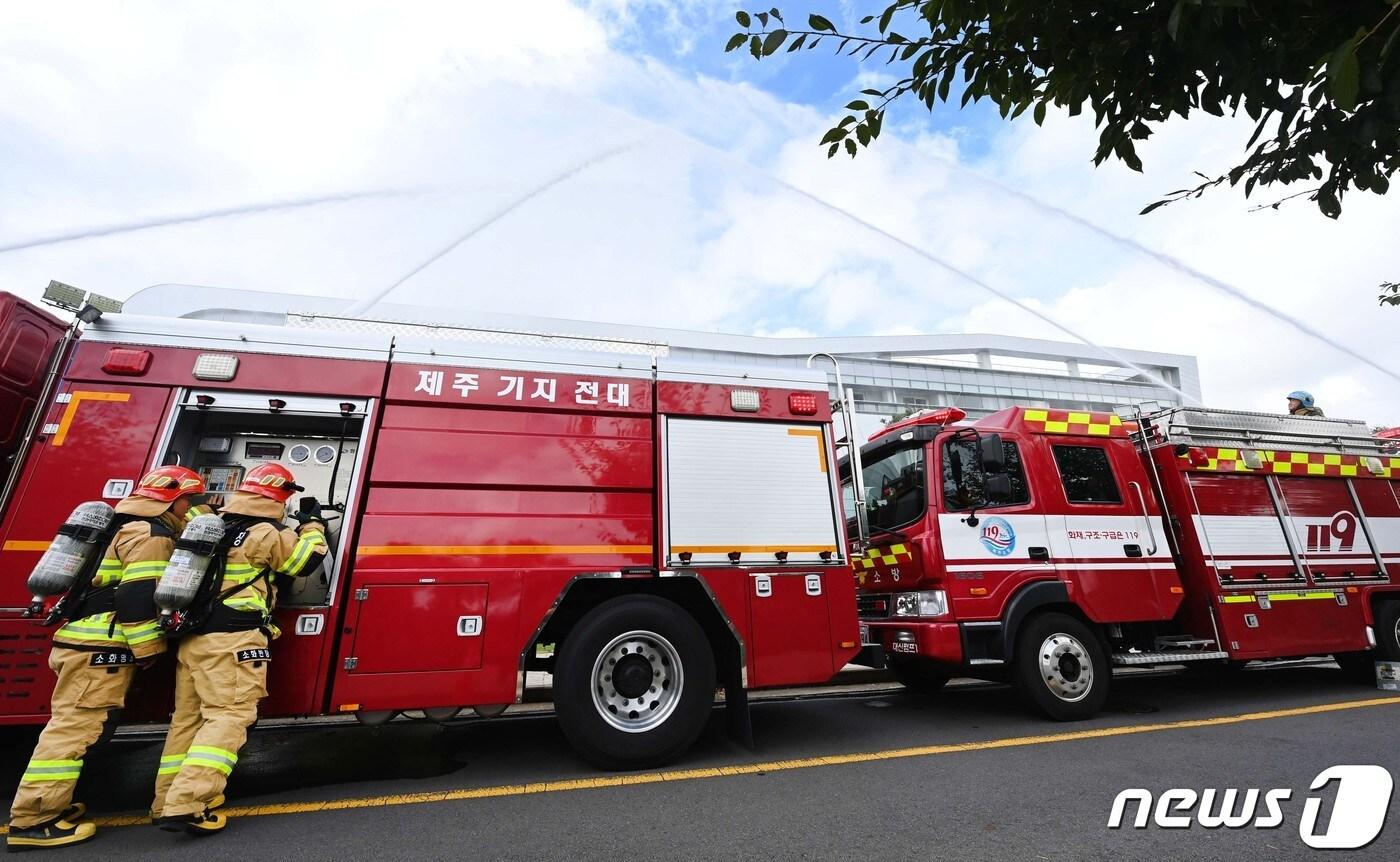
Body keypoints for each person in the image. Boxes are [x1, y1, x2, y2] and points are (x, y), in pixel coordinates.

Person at [6, 466, 206, 852]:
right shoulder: (150, 536)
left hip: (80, 639)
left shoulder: (119, 522)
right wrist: (148, 649)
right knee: (74, 730)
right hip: (102, 646)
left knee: (72, 725)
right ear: (171, 498)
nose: (189, 508)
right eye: (187, 500)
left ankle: (50, 805)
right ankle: (35, 819)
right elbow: (135, 598)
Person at [151, 463, 328, 836]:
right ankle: (188, 802)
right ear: (280, 496)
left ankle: (166, 799)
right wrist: (312, 525)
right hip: (233, 641)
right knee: (229, 717)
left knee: (188, 722)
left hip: (194, 638)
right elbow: (304, 562)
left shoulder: (213, 522)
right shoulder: (263, 531)